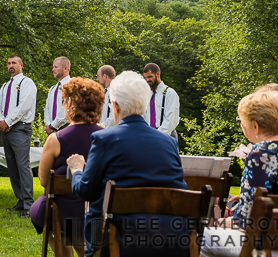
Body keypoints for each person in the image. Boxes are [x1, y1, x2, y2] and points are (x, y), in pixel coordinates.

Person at [66, 71, 188, 257]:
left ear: (115, 106)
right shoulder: (169, 142)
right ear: (145, 105)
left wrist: (76, 170)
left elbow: (86, 191)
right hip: (171, 238)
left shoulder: (103, 139)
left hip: (117, 238)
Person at [201, 90, 278, 256]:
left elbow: (246, 220)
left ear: (255, 126)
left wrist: (217, 222)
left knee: (198, 236)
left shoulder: (262, 154)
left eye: (241, 121)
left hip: (274, 248)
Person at [31, 78, 104, 256]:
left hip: (63, 212)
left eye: (64, 100)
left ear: (70, 103)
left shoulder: (56, 139)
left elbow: (43, 180)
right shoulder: (107, 137)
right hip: (97, 211)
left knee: (43, 212)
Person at [0, 54, 37, 215]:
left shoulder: (27, 83)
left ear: (21, 65)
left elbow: (24, 105)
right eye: (8, 63)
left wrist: (9, 121)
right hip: (6, 128)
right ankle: (20, 199)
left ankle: (28, 204)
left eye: (14, 63)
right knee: (12, 166)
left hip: (20, 128)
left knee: (22, 165)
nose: (10, 65)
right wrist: (0, 121)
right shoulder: (5, 85)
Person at [142, 63, 180, 140]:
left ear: (157, 74)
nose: (147, 80)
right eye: (145, 77)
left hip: (166, 136)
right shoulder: (147, 94)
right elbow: (144, 117)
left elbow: (171, 120)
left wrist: (157, 136)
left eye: (150, 77)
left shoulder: (170, 93)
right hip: (149, 135)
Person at [45, 57, 72, 134]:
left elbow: (67, 109)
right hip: (51, 131)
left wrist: (53, 126)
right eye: (53, 67)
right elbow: (47, 108)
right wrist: (48, 125)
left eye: (56, 67)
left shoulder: (72, 85)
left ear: (65, 68)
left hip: (67, 129)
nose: (53, 69)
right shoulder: (53, 88)